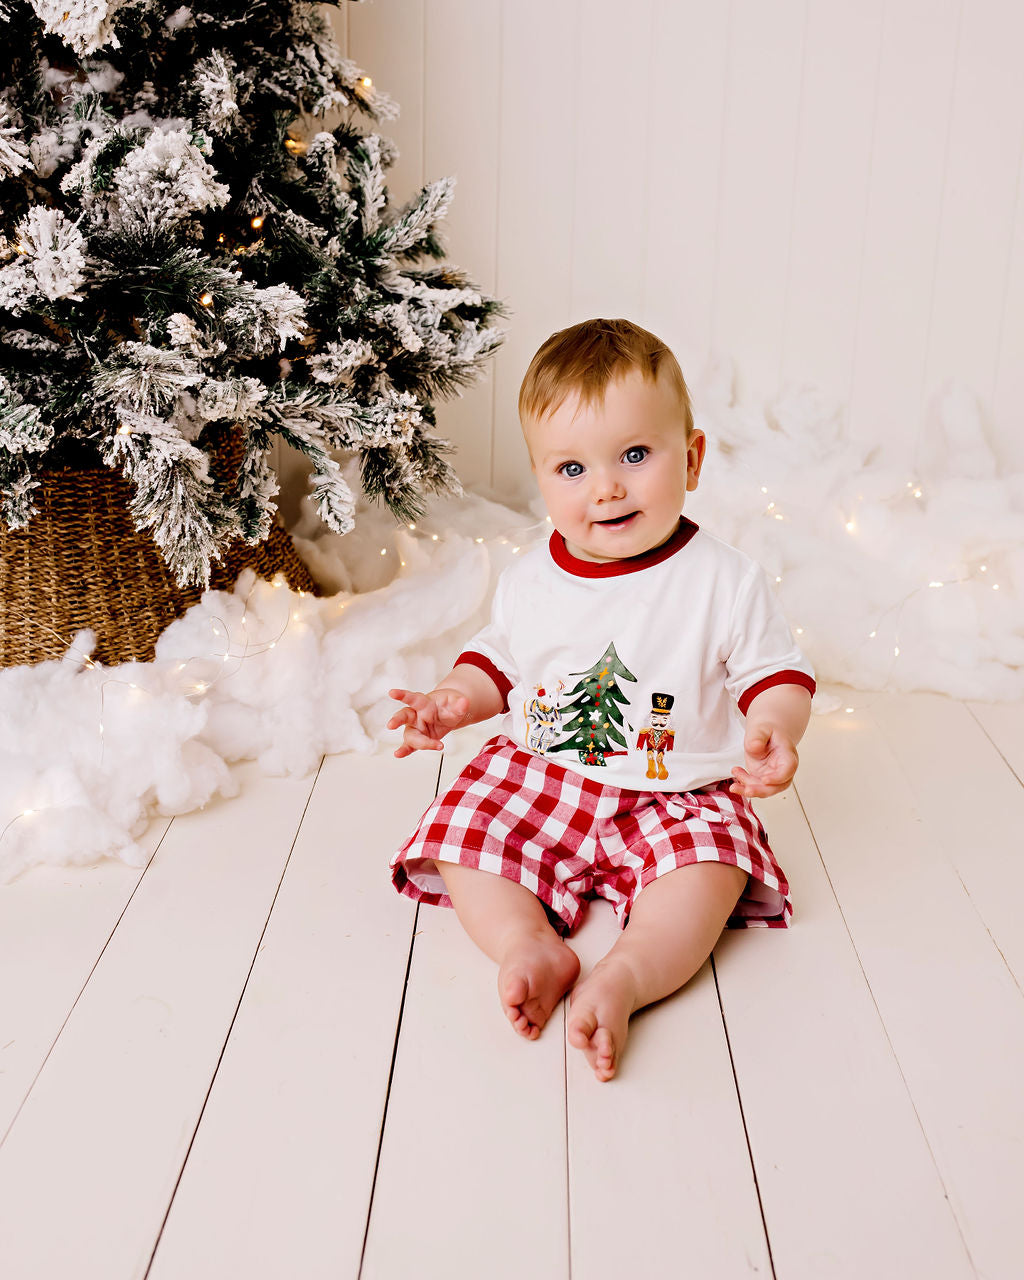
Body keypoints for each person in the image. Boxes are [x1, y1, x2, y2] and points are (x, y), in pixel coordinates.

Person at [387, 319, 815, 1082]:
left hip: (679, 791)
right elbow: (501, 659)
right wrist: (455, 698)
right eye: (572, 468)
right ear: (541, 477)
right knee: (462, 828)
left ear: (692, 458)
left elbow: (773, 673)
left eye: (637, 456)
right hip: (543, 773)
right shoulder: (530, 578)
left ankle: (628, 973)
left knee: (708, 871)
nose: (607, 487)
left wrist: (774, 728)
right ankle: (528, 944)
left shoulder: (723, 580)